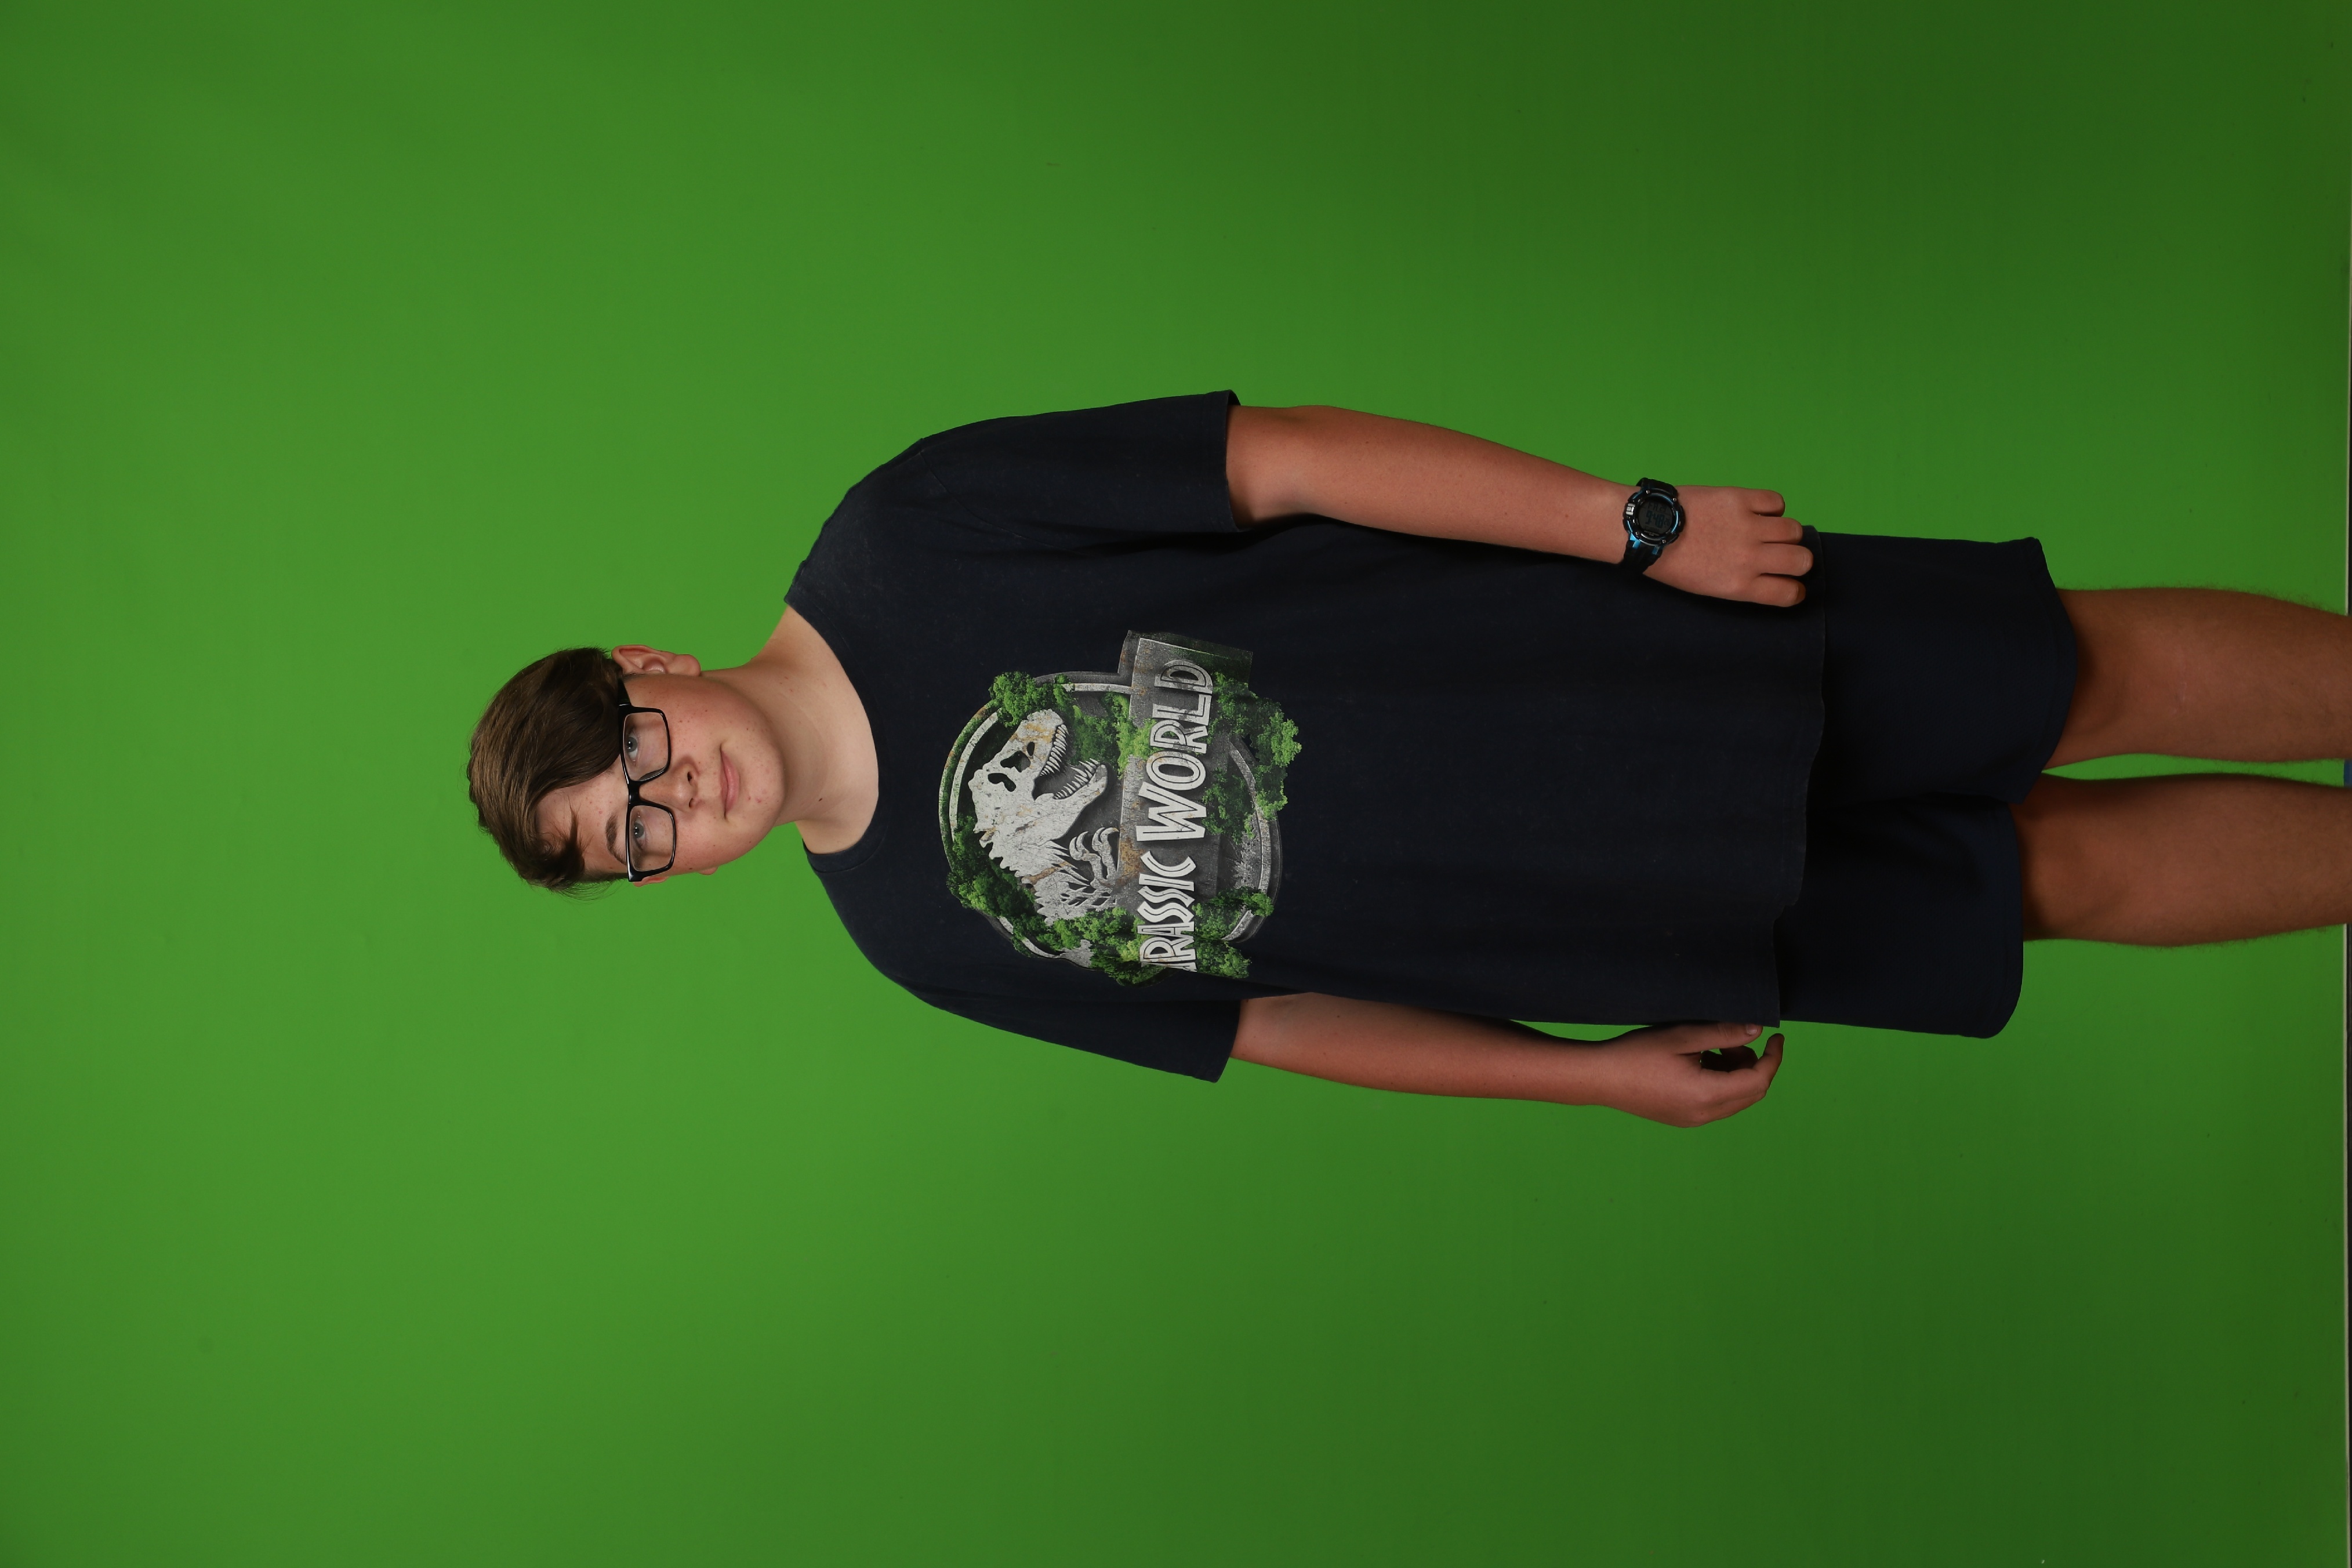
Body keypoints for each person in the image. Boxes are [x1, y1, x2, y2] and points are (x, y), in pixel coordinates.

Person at [467, 393, 2352, 1127]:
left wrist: (1632, 527)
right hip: (1596, 911)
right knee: (2051, 882)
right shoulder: (912, 936)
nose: (672, 805)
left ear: (647, 666)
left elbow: (1278, 461)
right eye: (631, 841)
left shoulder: (906, 533)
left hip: (1611, 656)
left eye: (638, 757)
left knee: (2072, 675)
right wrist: (1579, 1078)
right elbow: (1268, 1023)